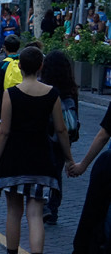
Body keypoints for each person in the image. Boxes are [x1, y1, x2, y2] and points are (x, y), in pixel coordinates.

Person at [0, 46, 74, 254]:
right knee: (35, 213)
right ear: (41, 67)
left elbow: (3, 131)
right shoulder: (52, 93)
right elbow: (60, 129)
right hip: (41, 158)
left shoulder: (11, 94)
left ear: (20, 67)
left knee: (14, 211)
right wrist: (69, 158)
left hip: (14, 158)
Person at [40, 50, 79, 226]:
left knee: (40, 171)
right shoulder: (71, 89)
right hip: (62, 139)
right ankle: (53, 209)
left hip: (44, 135)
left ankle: (41, 204)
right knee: (56, 174)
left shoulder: (43, 88)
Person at [0, 35, 22, 134]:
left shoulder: (1, 66)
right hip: (22, 102)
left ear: (4, 48)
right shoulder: (23, 63)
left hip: (4, 105)